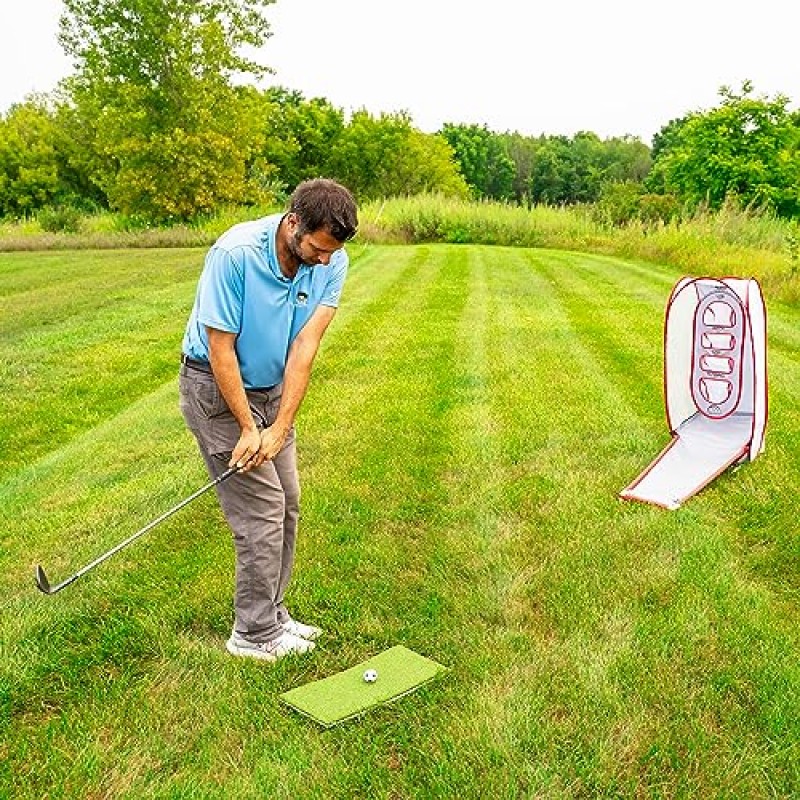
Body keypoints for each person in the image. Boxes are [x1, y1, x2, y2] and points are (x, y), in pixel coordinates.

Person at [178, 178, 358, 662]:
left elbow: (305, 348)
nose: (324, 260)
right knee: (261, 509)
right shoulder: (235, 254)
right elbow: (220, 348)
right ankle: (252, 633)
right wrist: (247, 428)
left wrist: (278, 426)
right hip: (217, 391)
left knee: (289, 502)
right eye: (318, 248)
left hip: (273, 388)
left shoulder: (333, 261)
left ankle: (273, 616)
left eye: (331, 252)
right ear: (293, 222)